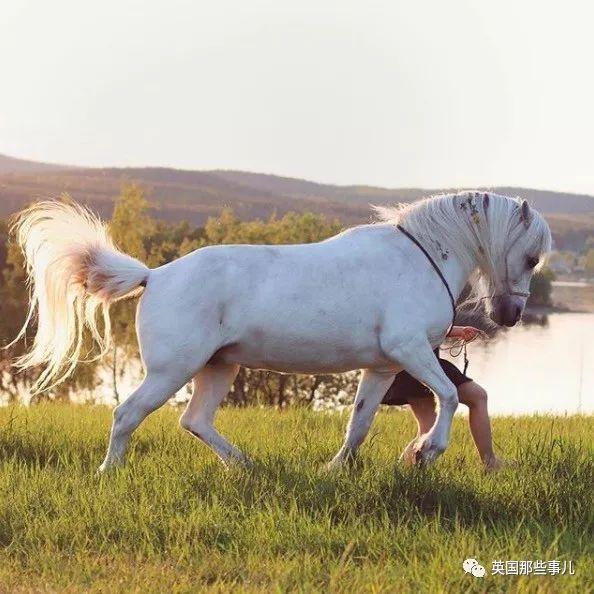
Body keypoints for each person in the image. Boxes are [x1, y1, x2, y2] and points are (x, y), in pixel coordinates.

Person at [382, 326, 504, 471]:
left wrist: (456, 331)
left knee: (428, 427)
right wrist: (455, 330)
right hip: (416, 364)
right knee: (476, 398)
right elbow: (418, 324)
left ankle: (404, 470)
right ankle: (489, 463)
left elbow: (425, 323)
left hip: (418, 363)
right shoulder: (417, 302)